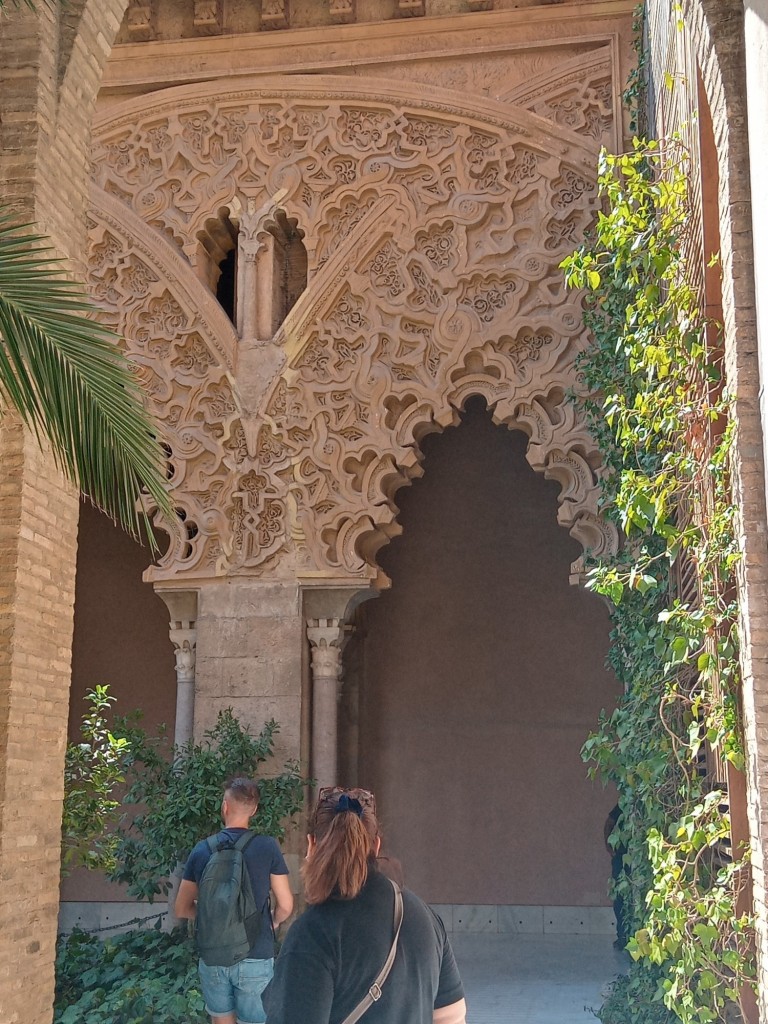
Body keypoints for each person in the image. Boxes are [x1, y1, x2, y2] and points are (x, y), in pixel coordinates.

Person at [262, 786, 467, 1024]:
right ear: (376, 845)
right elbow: (451, 1016)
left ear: (312, 845)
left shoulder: (312, 933)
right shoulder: (423, 915)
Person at [176, 777, 294, 1024]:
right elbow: (286, 905)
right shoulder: (267, 847)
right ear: (254, 810)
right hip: (256, 952)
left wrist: (213, 917)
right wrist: (272, 921)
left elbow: (182, 907)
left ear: (225, 806)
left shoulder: (202, 849)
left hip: (214, 954)